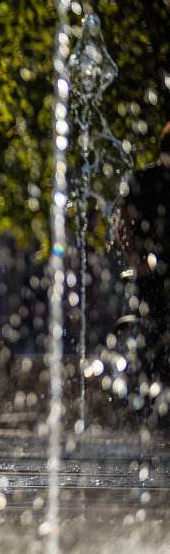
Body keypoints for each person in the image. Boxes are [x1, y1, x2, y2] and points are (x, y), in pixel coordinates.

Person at [115, 120, 170, 386]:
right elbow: (123, 222)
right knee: (153, 338)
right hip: (153, 275)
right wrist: (136, 261)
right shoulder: (143, 180)